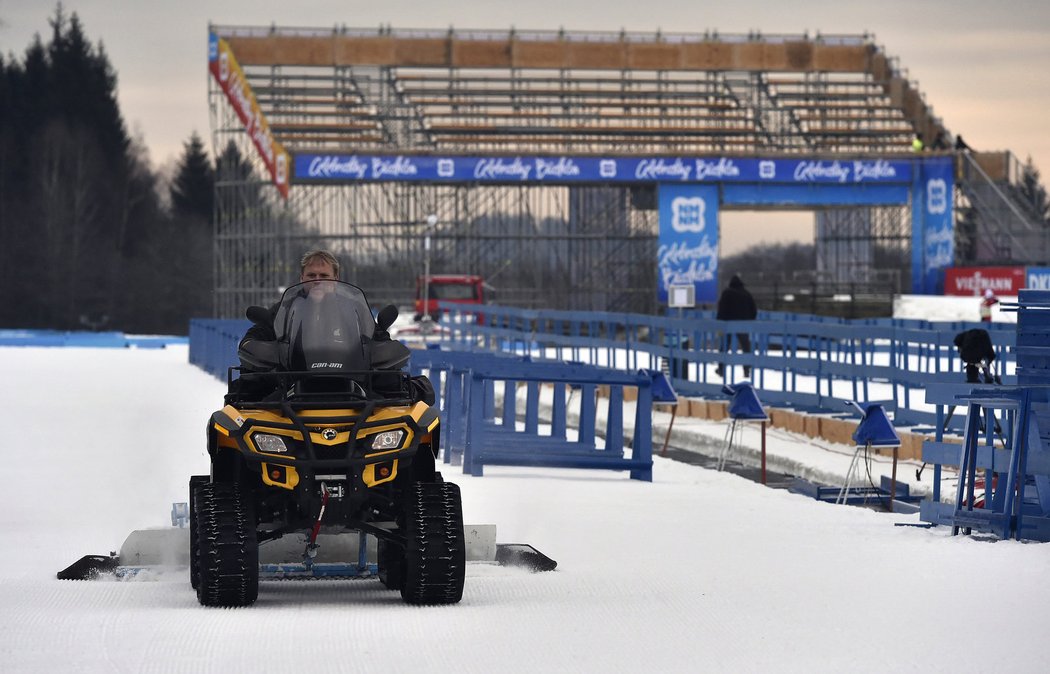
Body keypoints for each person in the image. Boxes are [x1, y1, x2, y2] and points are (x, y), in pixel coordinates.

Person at [715, 274, 757, 378]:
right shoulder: (747, 294)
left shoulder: (727, 293)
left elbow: (722, 309)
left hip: (728, 324)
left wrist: (719, 324)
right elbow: (754, 310)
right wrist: (749, 321)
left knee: (724, 347)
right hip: (743, 324)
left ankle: (721, 369)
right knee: (746, 347)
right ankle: (747, 370)